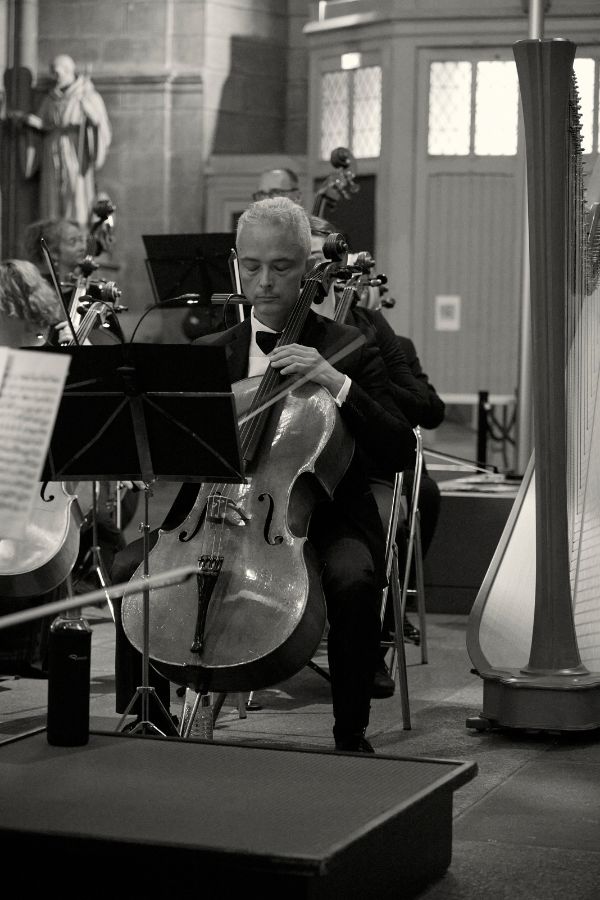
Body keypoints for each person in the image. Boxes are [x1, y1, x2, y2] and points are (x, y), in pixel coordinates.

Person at [111, 197, 416, 751]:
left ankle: (350, 731)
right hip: (211, 516)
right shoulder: (210, 351)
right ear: (235, 263)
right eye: (251, 267)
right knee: (133, 565)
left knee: (353, 577)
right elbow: (178, 450)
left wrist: (333, 381)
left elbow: (398, 449)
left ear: (307, 268)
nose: (265, 282)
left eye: (281, 267)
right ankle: (148, 716)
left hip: (320, 515)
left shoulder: (350, 347)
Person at [307, 215, 445, 698]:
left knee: (399, 510)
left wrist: (363, 376)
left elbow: (427, 411)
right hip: (290, 476)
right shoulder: (262, 327)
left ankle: (376, 641)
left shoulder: (372, 334)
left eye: (322, 264)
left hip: (364, 470)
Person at [10, 54, 112, 227]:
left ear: (68, 71)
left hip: (75, 149)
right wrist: (30, 121)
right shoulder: (51, 98)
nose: (55, 78)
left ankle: (76, 230)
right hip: (52, 147)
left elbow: (100, 124)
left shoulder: (86, 94)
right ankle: (54, 231)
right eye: (53, 74)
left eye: (58, 73)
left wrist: (88, 109)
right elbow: (45, 124)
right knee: (52, 194)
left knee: (75, 191)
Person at [22, 217, 88, 284]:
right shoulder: (43, 288)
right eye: (73, 242)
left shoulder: (87, 285)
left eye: (81, 240)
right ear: (54, 252)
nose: (82, 248)